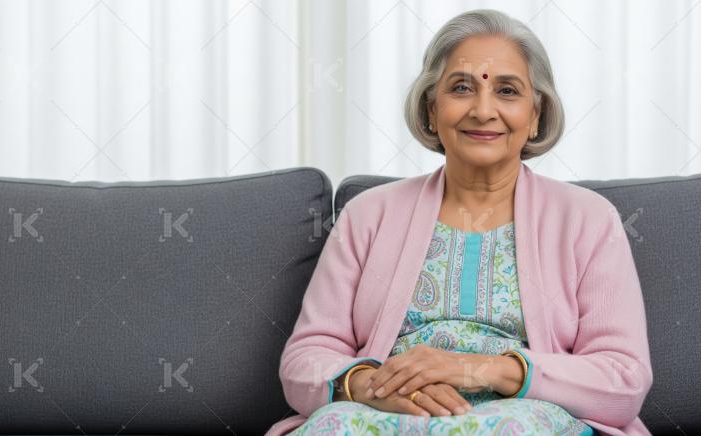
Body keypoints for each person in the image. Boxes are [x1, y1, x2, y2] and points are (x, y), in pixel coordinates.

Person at [267, 8, 652, 436]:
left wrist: (482, 370)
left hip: (524, 415)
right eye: (461, 88)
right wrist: (367, 386)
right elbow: (306, 357)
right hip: (385, 413)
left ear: (536, 115)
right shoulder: (368, 215)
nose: (483, 110)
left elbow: (623, 377)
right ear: (432, 109)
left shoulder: (588, 220)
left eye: (507, 91)